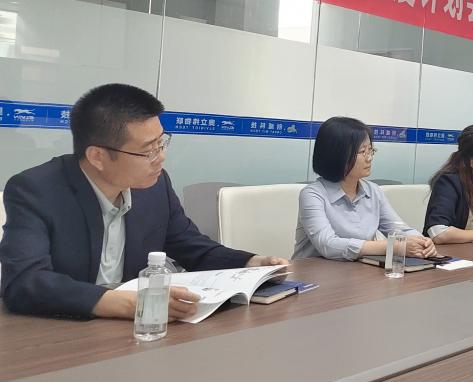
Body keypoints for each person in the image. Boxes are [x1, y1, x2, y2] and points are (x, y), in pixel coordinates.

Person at [0, 84, 287, 320]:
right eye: (148, 150)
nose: (161, 157)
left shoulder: (154, 186)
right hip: (60, 332)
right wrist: (128, 303)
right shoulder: (36, 190)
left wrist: (252, 263)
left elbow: (190, 246)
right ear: (97, 156)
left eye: (162, 143)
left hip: (140, 332)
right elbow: (25, 282)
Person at [294, 117, 437, 261]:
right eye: (363, 152)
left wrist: (422, 241)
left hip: (359, 270)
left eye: (370, 150)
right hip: (314, 272)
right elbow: (328, 245)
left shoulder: (373, 191)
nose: (369, 158)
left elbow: (398, 229)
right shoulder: (312, 195)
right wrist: (393, 246)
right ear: (337, 154)